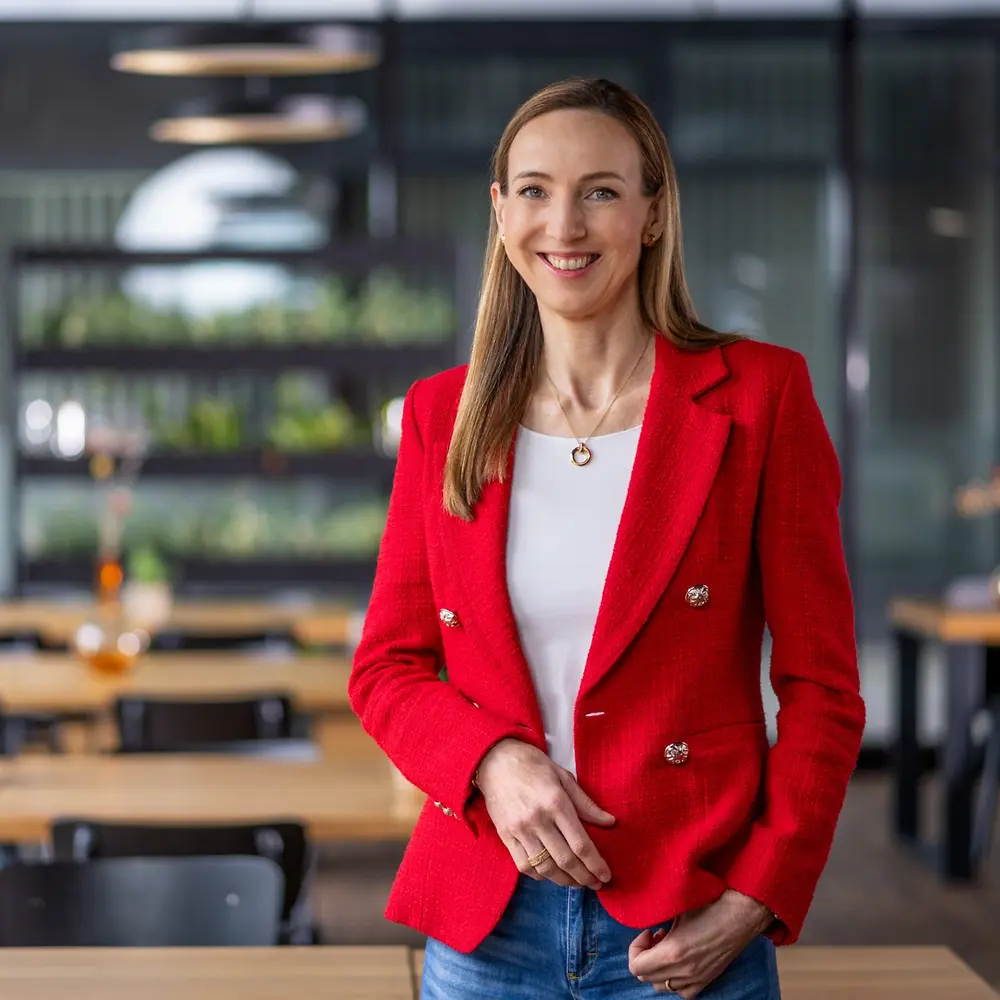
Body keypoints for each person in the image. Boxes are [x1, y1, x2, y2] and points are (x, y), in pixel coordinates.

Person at [349, 77, 865, 1000]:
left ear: (653, 212)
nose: (566, 224)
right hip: (486, 927)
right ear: (501, 212)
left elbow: (823, 686)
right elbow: (386, 667)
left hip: (690, 918)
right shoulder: (442, 415)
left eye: (601, 191)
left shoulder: (760, 398)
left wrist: (758, 896)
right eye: (537, 191)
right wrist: (490, 760)